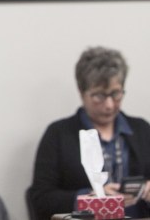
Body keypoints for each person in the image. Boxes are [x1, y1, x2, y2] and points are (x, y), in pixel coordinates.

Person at [29, 46, 150, 220]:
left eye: (116, 94)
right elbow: (40, 198)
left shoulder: (142, 130)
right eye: (99, 96)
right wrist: (91, 197)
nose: (109, 105)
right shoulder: (58, 134)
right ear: (81, 92)